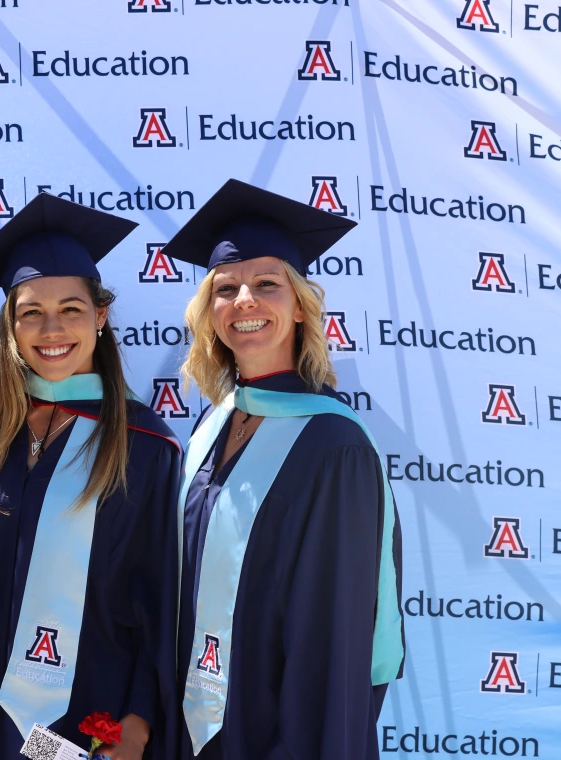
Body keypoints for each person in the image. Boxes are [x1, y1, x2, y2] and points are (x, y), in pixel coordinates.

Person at [161, 180, 405, 760]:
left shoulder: (334, 445)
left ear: (300, 306)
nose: (244, 299)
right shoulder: (209, 429)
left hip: (277, 731)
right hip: (191, 726)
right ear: (208, 312)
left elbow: (333, 635)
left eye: (267, 284)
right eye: (225, 289)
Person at [0, 193, 181, 760]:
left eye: (72, 309)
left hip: (88, 718)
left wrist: (140, 715)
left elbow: (166, 599)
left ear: (100, 316)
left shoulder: (146, 447)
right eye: (31, 311)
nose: (51, 328)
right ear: (7, 325)